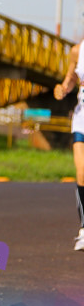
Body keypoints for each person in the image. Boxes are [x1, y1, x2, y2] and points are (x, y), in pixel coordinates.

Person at [55, 40, 84, 252]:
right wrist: (64, 88)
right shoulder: (77, 50)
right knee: (82, 172)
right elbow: (71, 77)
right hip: (82, 116)